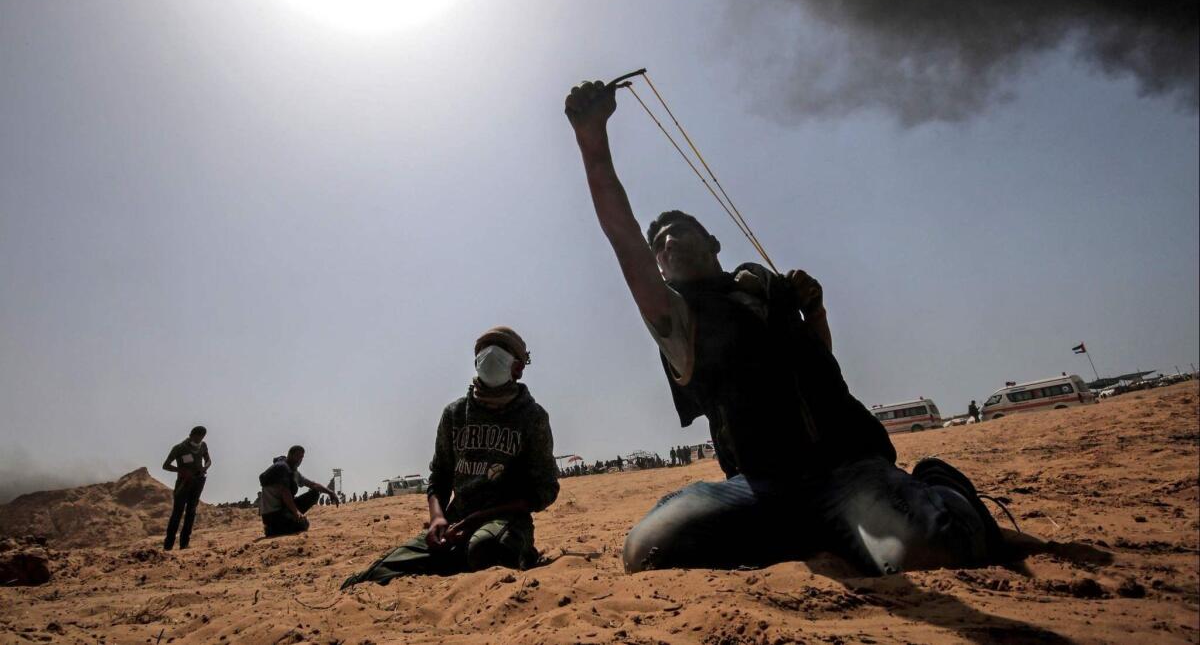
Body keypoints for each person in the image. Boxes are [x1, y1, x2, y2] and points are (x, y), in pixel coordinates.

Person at [564, 78, 1008, 575]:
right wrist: (592, 139)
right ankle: (818, 533)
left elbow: (820, 368)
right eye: (659, 242)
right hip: (763, 487)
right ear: (659, 268)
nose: (666, 242)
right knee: (650, 551)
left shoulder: (769, 295)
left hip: (848, 471)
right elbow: (624, 240)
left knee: (937, 551)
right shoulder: (678, 321)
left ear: (713, 241)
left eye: (678, 230)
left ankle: (936, 480)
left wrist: (813, 313)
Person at [342, 327, 560, 587]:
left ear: (519, 368)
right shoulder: (455, 414)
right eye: (483, 351)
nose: (490, 356)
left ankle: (518, 552)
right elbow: (440, 476)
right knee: (377, 574)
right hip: (455, 524)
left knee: (486, 547)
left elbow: (544, 490)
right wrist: (438, 518)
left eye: (501, 351)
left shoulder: (532, 417)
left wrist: (477, 520)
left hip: (505, 522)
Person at [258, 445, 339, 537]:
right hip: (273, 515)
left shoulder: (293, 472)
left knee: (314, 493)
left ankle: (290, 519)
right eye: (298, 456)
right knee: (303, 525)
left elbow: (312, 484)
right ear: (290, 455)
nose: (299, 460)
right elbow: (285, 492)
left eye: (301, 457)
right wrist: (296, 512)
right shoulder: (282, 469)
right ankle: (273, 529)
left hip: (285, 509)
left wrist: (330, 492)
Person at [162, 426, 212, 550]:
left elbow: (208, 460)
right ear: (191, 435)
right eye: (197, 437)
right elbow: (166, 465)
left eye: (201, 437)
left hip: (198, 482)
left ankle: (184, 544)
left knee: (191, 512)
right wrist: (181, 470)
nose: (199, 440)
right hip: (183, 484)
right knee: (177, 513)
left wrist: (204, 468)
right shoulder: (179, 448)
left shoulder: (203, 446)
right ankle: (168, 545)